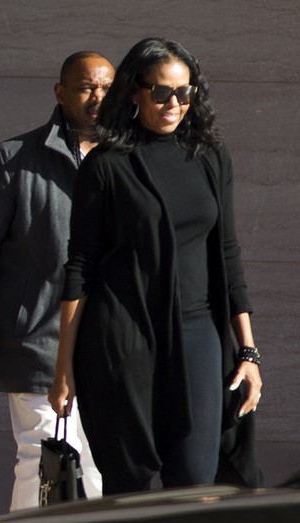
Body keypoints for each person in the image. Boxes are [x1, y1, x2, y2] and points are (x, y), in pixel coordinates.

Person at [48, 37, 263, 496]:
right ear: (134, 92)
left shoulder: (210, 157)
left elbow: (227, 250)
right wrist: (63, 365)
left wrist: (248, 351)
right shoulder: (105, 167)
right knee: (132, 486)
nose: (174, 104)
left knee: (195, 479)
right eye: (161, 91)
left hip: (197, 336)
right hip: (124, 338)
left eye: (186, 93)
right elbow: (80, 266)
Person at [0, 51, 114, 511]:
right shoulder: (14, 159)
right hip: (37, 342)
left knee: (98, 468)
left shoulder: (129, 161)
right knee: (43, 461)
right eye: (86, 87)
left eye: (106, 87)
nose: (98, 96)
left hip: (109, 346)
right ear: (61, 92)